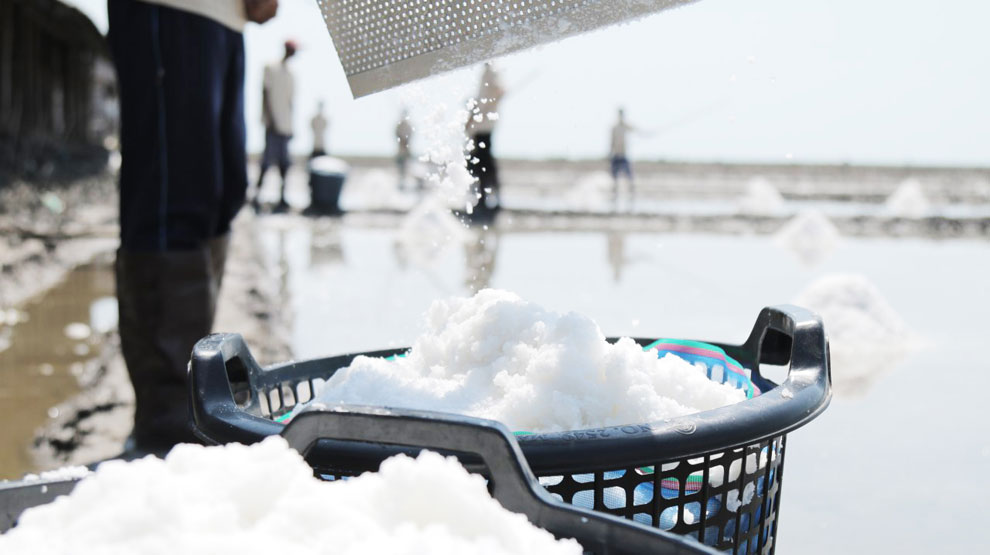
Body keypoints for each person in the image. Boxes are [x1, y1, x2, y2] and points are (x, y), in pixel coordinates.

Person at [108, 0, 278, 454]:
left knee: (222, 194)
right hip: (171, 7)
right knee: (172, 200)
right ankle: (165, 427)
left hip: (226, 18)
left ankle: (189, 401)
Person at [254, 39, 296, 212]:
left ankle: (282, 198)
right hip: (272, 125)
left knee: (284, 163)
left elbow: (290, 102)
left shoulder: (291, 74)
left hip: (285, 126)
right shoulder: (271, 68)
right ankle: (256, 196)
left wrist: (291, 126)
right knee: (266, 161)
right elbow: (265, 93)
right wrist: (270, 120)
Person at [465, 63, 505, 223]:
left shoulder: (491, 71)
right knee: (479, 164)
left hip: (484, 126)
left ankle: (487, 201)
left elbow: (500, 90)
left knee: (483, 165)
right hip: (480, 126)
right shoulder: (486, 72)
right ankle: (482, 201)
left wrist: (490, 105)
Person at [609, 107, 636, 202]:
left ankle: (632, 195)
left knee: (630, 177)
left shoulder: (625, 126)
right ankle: (614, 196)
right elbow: (611, 141)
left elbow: (634, 129)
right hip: (616, 156)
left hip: (624, 155)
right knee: (614, 178)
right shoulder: (614, 127)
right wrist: (609, 153)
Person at [394, 107, 413, 190]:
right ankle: (401, 184)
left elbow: (410, 135)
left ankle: (404, 184)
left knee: (407, 168)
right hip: (401, 152)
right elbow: (397, 134)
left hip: (405, 152)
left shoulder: (408, 125)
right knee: (400, 170)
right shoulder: (400, 125)